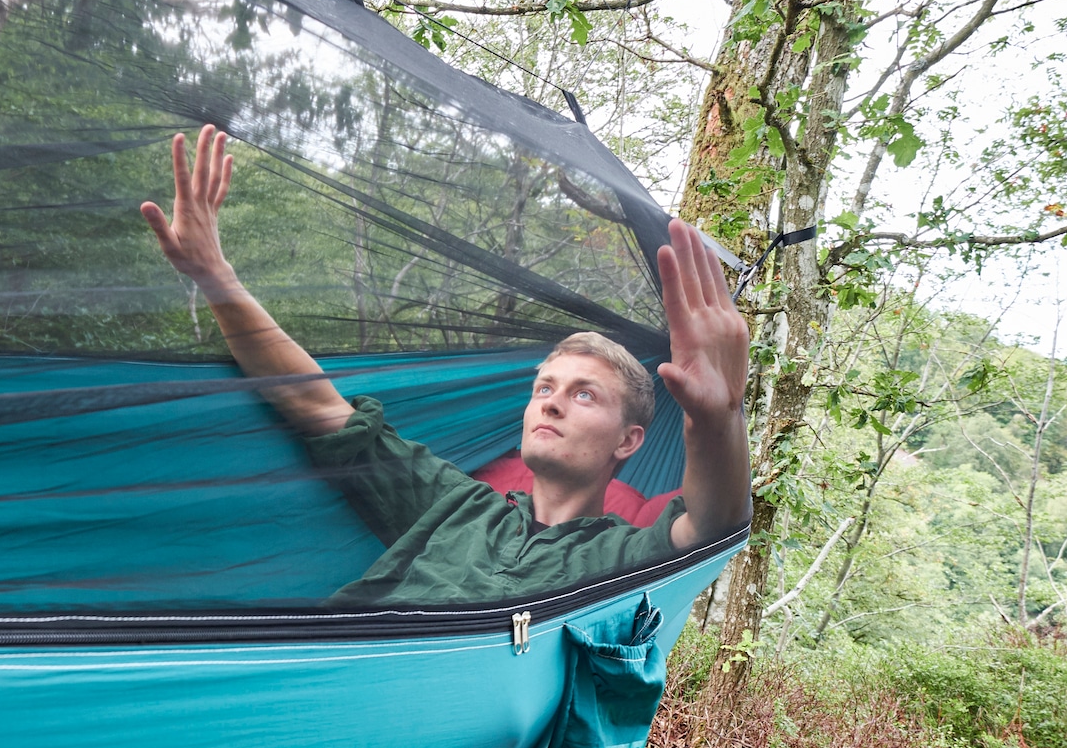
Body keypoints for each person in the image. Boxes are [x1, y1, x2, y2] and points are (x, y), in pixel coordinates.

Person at [142, 126, 751, 607]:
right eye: (545, 387)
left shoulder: (619, 557)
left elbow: (710, 526)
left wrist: (718, 420)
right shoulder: (455, 505)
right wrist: (215, 277)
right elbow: (318, 405)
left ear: (630, 441)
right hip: (320, 676)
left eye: (584, 394)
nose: (552, 402)